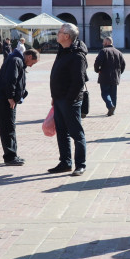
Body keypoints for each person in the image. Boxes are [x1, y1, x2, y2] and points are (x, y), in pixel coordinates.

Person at [47, 23, 89, 176]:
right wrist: (55, 97)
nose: (57, 34)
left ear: (67, 36)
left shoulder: (77, 55)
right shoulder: (62, 51)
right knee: (62, 132)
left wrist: (69, 100)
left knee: (76, 134)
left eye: (60, 32)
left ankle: (80, 164)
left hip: (70, 101)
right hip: (59, 99)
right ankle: (65, 162)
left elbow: (78, 81)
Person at [0, 48, 40, 165]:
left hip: (6, 98)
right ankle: (10, 156)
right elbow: (11, 80)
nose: (31, 66)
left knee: (10, 127)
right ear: (29, 57)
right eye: (33, 63)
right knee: (7, 127)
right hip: (5, 99)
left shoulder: (17, 60)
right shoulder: (16, 60)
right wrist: (10, 97)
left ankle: (13, 154)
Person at [93, 36, 126, 117]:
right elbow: (123, 64)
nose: (102, 43)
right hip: (115, 77)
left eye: (103, 42)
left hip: (104, 76)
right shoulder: (118, 52)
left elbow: (97, 62)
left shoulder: (103, 51)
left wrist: (97, 70)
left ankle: (110, 106)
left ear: (107, 42)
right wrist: (119, 73)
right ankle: (112, 110)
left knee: (105, 93)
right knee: (113, 94)